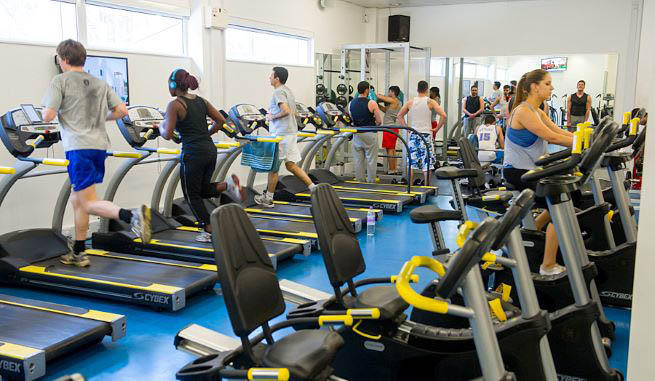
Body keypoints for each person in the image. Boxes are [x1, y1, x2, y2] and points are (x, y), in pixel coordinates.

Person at [41, 39, 151, 267]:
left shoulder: (59, 81)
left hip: (78, 148)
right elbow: (122, 111)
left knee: (89, 202)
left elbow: (47, 116)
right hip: (99, 146)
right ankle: (79, 251)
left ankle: (132, 216)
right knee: (77, 199)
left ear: (63, 60)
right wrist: (102, 117)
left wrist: (53, 112)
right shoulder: (100, 83)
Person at [158, 69, 244, 242]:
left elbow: (167, 134)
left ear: (173, 85)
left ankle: (209, 230)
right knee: (203, 190)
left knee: (192, 195)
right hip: (209, 150)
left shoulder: (174, 105)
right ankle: (228, 185)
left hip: (193, 153)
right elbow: (221, 121)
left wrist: (159, 126)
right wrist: (206, 134)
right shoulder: (202, 101)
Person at [503, 69, 574, 276]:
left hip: (531, 171)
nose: (552, 87)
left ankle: (530, 234)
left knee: (566, 199)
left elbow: (559, 131)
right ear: (534, 87)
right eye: (548, 83)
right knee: (560, 205)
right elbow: (551, 138)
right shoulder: (523, 111)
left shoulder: (538, 110)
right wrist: (582, 142)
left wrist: (586, 136)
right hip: (518, 172)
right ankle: (548, 265)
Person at [254, 67, 317, 207]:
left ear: (277, 78)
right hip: (290, 133)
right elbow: (294, 113)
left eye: (271, 75)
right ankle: (313, 188)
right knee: (291, 165)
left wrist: (271, 117)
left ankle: (268, 198)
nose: (269, 78)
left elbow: (287, 111)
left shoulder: (278, 92)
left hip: (281, 135)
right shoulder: (288, 91)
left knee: (273, 168)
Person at [397, 80, 447, 186]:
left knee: (411, 162)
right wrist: (437, 129)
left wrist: (406, 128)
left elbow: (399, 116)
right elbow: (444, 115)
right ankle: (426, 186)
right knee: (426, 163)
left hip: (414, 134)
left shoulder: (410, 102)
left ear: (417, 89)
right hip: (426, 135)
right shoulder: (430, 102)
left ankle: (409, 187)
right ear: (427, 89)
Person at [348, 81, 383, 183]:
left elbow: (351, 119)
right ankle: (371, 181)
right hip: (370, 133)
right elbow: (379, 121)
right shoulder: (372, 103)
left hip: (357, 133)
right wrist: (374, 127)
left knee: (358, 160)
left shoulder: (351, 103)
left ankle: (360, 181)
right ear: (367, 90)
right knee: (371, 159)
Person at [378, 86, 402, 174]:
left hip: (390, 128)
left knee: (390, 150)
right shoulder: (396, 102)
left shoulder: (394, 100)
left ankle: (392, 170)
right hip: (391, 128)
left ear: (392, 92)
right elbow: (385, 110)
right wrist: (377, 105)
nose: (388, 94)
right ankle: (394, 169)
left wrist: (373, 94)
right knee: (391, 149)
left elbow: (379, 96)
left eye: (389, 92)